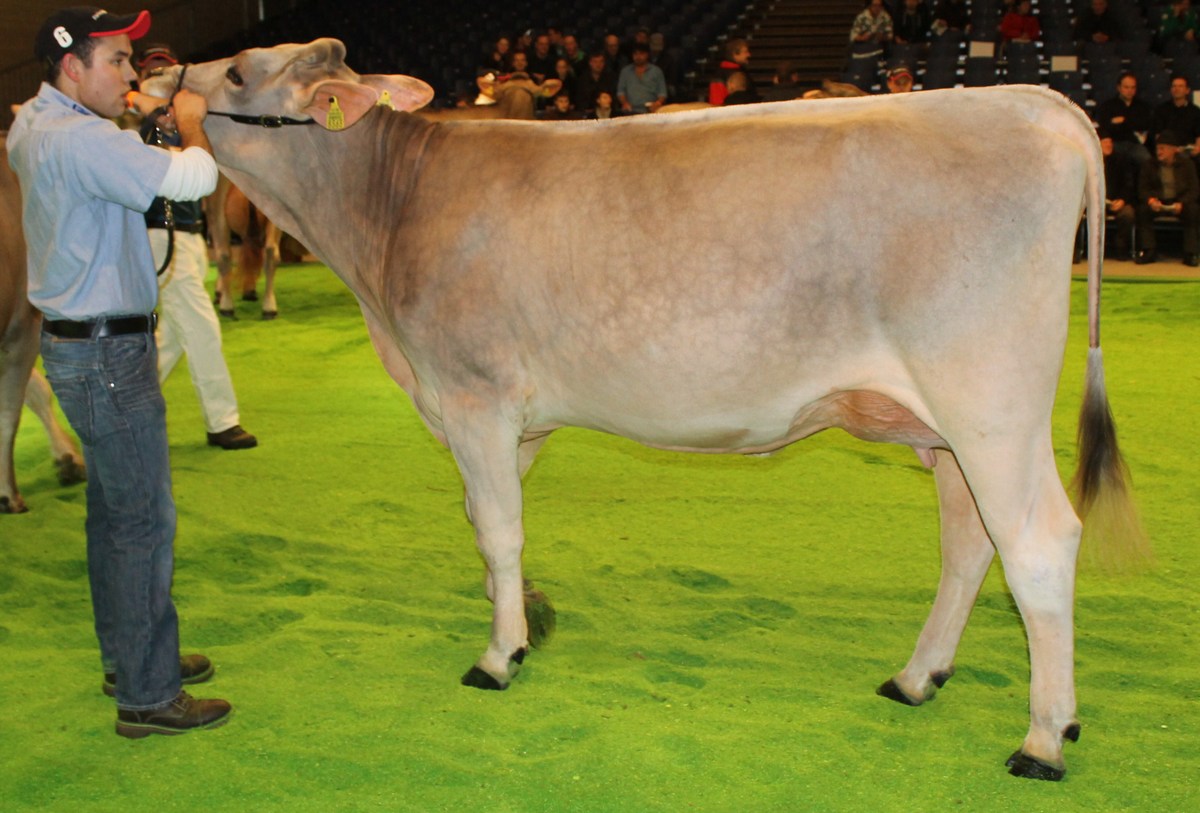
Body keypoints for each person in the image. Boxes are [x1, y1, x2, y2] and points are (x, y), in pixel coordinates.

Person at [6, 6, 231, 737]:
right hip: (109, 353)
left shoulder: (35, 124)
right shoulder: (82, 138)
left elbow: (110, 165)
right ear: (72, 67)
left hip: (76, 346)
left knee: (113, 515)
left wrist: (138, 127)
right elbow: (195, 177)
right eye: (116, 61)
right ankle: (147, 695)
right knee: (142, 521)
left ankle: (129, 658)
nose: (131, 73)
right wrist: (190, 122)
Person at [136, 45, 257, 451]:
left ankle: (127, 405)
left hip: (187, 235)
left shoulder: (186, 121)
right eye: (151, 70)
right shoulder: (135, 122)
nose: (158, 76)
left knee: (173, 336)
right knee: (202, 327)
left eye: (165, 70)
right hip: (160, 234)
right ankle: (222, 421)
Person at [1135, 129, 1200, 265]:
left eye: (1162, 148)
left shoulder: (1187, 165)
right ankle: (1148, 250)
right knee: (1142, 210)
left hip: (1179, 201)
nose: (1159, 152)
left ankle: (1191, 253)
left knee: (1193, 211)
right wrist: (1151, 200)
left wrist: (1182, 203)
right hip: (1157, 201)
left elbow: (1194, 190)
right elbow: (1142, 189)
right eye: (1158, 148)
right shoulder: (1149, 164)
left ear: (1173, 150)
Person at [1093, 72, 1153, 168]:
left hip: (1135, 144)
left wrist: (1124, 121)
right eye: (1126, 87)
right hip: (1114, 143)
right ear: (1119, 88)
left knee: (1147, 160)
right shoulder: (1108, 106)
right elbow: (1105, 126)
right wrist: (1131, 123)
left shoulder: (1142, 107)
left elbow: (1144, 125)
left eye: (1133, 87)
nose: (1130, 90)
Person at [1099, 127, 1138, 260]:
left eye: (1110, 142)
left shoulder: (1121, 160)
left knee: (1128, 214)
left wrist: (1122, 200)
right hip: (1095, 202)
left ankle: (1121, 247)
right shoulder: (1089, 162)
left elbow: (1128, 184)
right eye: (1105, 142)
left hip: (1117, 201)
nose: (1109, 145)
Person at [1152, 73, 1200, 156]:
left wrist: (1197, 148)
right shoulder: (1161, 110)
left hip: (1189, 150)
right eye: (1174, 86)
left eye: (1180, 86)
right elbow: (1158, 135)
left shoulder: (1195, 111)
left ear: (1187, 90)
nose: (1176, 89)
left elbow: (1199, 135)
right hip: (1168, 151)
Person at [617, 43, 668, 114]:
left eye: (641, 54)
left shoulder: (656, 71)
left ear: (647, 55)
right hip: (630, 110)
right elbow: (620, 92)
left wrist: (657, 103)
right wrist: (624, 103)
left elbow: (662, 93)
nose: (638, 57)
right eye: (635, 54)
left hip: (651, 110)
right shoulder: (625, 71)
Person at [709, 38, 757, 106]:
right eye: (746, 52)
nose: (749, 55)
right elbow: (717, 103)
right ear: (735, 54)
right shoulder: (720, 76)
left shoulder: (742, 71)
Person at [573, 51, 617, 116]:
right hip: (586, 113)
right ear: (590, 63)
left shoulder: (610, 78)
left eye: (601, 61)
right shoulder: (583, 79)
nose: (598, 65)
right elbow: (579, 99)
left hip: (607, 112)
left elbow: (613, 97)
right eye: (595, 62)